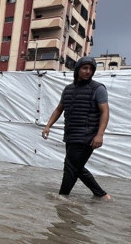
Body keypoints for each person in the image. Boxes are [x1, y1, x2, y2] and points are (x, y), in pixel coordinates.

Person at [42, 56, 112, 200]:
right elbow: (59, 109)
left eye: (91, 69)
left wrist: (100, 135)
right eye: (85, 68)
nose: (88, 71)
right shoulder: (68, 89)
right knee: (74, 167)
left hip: (87, 135)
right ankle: (96, 195)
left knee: (71, 166)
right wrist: (48, 126)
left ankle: (67, 196)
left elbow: (105, 112)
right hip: (71, 134)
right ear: (78, 69)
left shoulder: (98, 89)